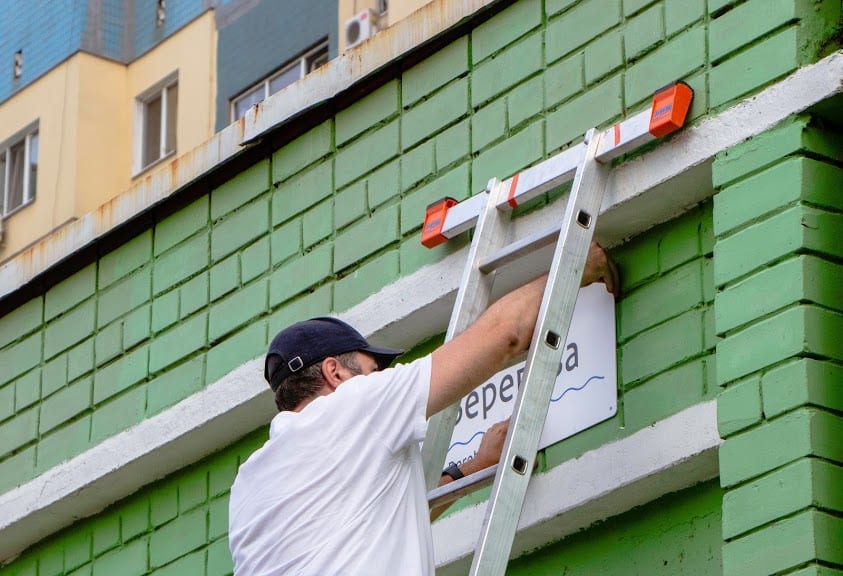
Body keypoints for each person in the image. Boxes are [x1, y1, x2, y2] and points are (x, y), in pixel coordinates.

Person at [228, 243, 619, 575]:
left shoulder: (249, 484)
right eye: (371, 368)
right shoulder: (355, 406)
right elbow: (505, 336)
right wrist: (576, 265)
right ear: (335, 373)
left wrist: (472, 468)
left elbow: (378, 520)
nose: (380, 376)